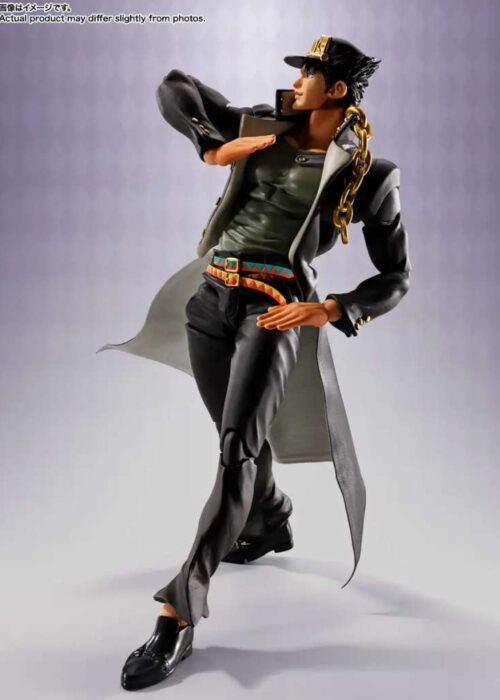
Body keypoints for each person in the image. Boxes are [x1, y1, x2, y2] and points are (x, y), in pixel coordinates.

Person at [98, 35, 411, 690]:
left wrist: (332, 308)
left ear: (336, 90)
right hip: (208, 303)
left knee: (237, 449)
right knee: (235, 438)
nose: (296, 82)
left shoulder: (368, 174)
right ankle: (268, 518)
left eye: (309, 74)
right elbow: (175, 84)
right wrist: (210, 145)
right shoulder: (263, 126)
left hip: (271, 314)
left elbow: (396, 278)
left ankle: (178, 610)